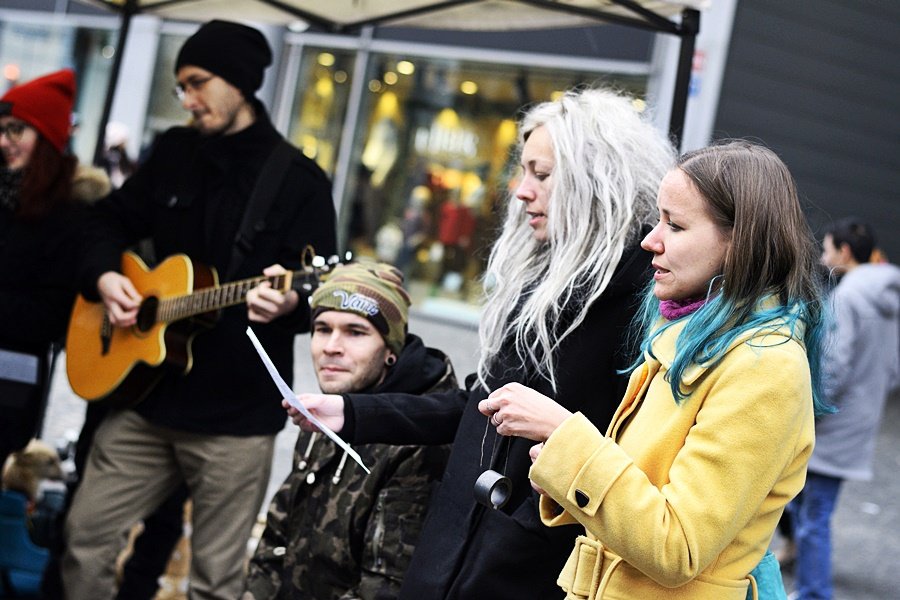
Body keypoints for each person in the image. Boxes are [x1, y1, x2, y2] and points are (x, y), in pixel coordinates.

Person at [286, 87, 676, 598]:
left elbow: (631, 465)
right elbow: (477, 409)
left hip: (529, 572)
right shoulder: (538, 281)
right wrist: (353, 413)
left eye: (541, 173)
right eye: (524, 171)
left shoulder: (639, 305)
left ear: (595, 178)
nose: (519, 190)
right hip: (449, 559)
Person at [61, 20, 337, 600]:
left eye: (196, 83)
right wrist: (108, 274)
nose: (185, 98)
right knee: (83, 543)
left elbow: (321, 297)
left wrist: (289, 302)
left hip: (234, 421)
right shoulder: (175, 151)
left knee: (214, 582)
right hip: (146, 400)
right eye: (179, 87)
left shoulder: (300, 182)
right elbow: (103, 220)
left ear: (237, 81)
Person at [484, 140, 829, 599]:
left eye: (676, 224)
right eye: (659, 218)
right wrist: (559, 458)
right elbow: (644, 491)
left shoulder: (764, 367)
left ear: (740, 242)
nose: (651, 239)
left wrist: (566, 436)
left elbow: (677, 546)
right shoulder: (688, 333)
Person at [243, 261, 457, 599]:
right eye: (323, 329)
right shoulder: (325, 407)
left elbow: (384, 586)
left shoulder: (420, 441)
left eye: (355, 332)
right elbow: (275, 541)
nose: (331, 346)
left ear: (391, 350)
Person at [0, 69, 111, 469]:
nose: (4, 142)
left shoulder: (71, 214)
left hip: (11, 378)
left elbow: (54, 316)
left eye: (16, 131)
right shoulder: (4, 191)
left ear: (46, 137)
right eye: (1, 130)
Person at [790, 218, 900, 600]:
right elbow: (894, 367)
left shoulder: (850, 296)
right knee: (801, 503)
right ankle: (795, 559)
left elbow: (833, 367)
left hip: (833, 425)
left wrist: (813, 409)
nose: (822, 257)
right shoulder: (889, 297)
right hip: (861, 418)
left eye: (827, 249)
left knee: (813, 518)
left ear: (845, 252)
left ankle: (814, 594)